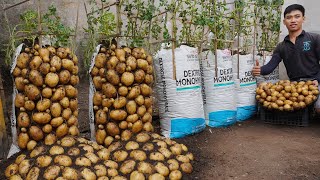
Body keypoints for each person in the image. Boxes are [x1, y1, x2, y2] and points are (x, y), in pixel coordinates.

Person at [252, 4, 320, 113]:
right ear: (284, 22)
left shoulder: (314, 39)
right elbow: (270, 66)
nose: (293, 20)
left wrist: (317, 79)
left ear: (303, 19)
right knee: (285, 106)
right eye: (289, 17)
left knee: (319, 109)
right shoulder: (281, 46)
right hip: (294, 86)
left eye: (297, 16)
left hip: (314, 82)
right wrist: (260, 70)